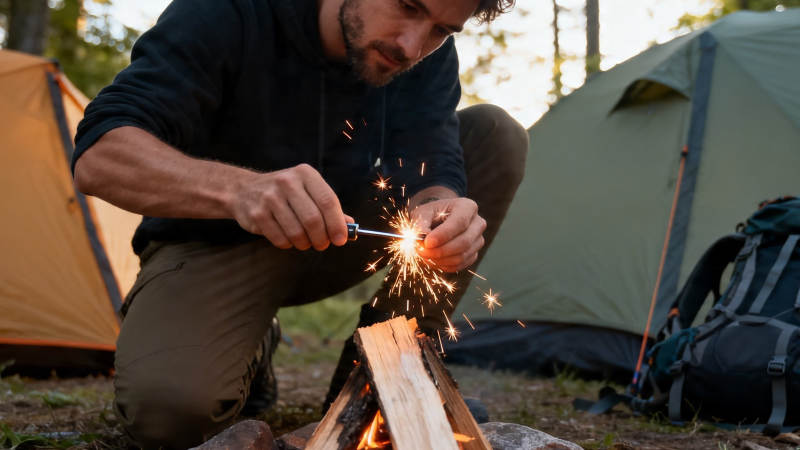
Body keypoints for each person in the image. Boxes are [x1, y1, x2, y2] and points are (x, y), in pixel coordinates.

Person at [72, 0, 527, 447]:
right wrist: (239, 191)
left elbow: (434, 162)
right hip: (216, 241)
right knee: (169, 414)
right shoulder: (224, 12)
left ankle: (381, 383)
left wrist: (442, 209)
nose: (412, 45)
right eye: (407, 6)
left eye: (442, 29)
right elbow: (100, 158)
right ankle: (253, 343)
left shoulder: (426, 56)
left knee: (497, 133)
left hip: (349, 234)